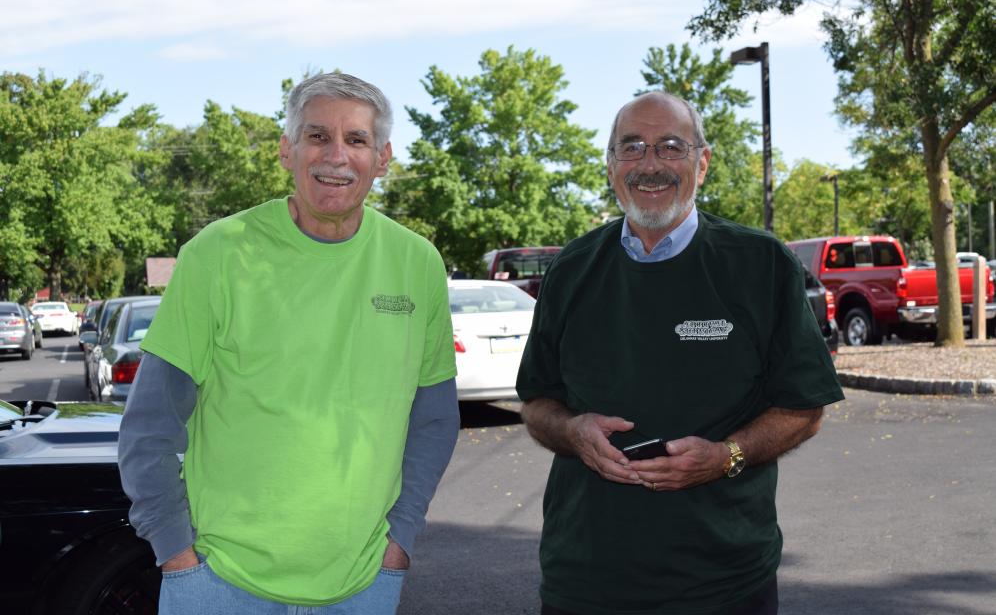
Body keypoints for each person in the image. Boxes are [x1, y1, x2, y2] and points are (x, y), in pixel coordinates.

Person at [118, 72, 459, 614]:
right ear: (287, 149)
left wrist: (401, 543)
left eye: (357, 140)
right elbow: (150, 424)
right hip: (217, 582)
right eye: (318, 136)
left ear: (384, 157)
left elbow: (435, 419)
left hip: (364, 583)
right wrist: (175, 553)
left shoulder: (417, 263)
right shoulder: (219, 252)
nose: (336, 156)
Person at [516, 91, 844, 615]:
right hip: (584, 581)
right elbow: (537, 405)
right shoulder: (572, 269)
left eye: (670, 147)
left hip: (724, 584)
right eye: (632, 148)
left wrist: (724, 458)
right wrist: (573, 434)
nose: (650, 165)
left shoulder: (760, 264)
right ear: (610, 165)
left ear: (702, 162)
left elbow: (804, 410)